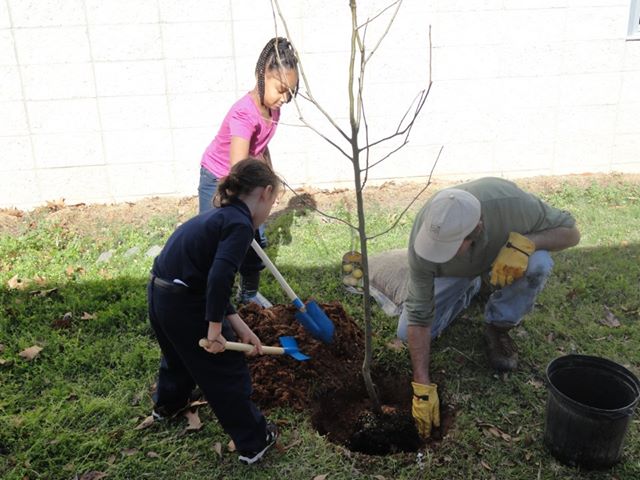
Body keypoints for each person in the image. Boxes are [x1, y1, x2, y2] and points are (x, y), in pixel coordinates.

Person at [400, 177, 580, 438]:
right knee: (406, 333)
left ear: (477, 229)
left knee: (538, 264)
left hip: (503, 256)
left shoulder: (513, 205)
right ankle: (471, 287)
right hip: (454, 273)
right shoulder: (426, 236)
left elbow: (571, 233)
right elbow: (418, 313)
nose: (437, 250)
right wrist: (422, 383)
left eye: (449, 246)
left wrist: (528, 243)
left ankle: (498, 325)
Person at [148, 159, 282, 465]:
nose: (269, 211)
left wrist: (239, 325)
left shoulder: (221, 217)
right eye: (273, 203)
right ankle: (255, 441)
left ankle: (167, 406)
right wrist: (215, 331)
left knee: (179, 357)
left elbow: (210, 278)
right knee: (225, 374)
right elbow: (220, 277)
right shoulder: (240, 224)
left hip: (161, 291)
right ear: (266, 193)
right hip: (185, 302)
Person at [197, 37, 299, 306]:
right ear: (262, 75)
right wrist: (242, 213)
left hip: (244, 177)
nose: (284, 98)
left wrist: (269, 181)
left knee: (254, 240)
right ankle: (210, 299)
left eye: (290, 92)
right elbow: (236, 170)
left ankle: (249, 295)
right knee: (218, 242)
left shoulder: (272, 108)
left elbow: (260, 148)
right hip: (220, 178)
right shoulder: (244, 114)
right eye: (281, 89)